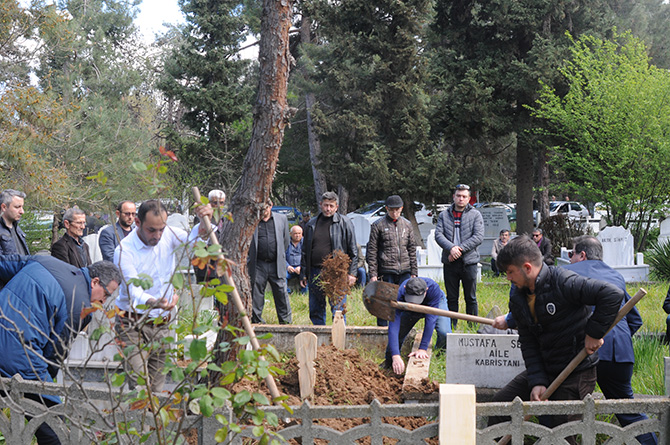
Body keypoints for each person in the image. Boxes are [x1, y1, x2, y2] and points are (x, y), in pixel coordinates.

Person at [493, 235, 657, 445]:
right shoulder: (518, 296)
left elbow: (611, 295)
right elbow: (528, 341)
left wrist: (594, 333)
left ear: (526, 267)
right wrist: (538, 381)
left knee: (559, 429)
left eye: (509, 272)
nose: (507, 277)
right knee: (501, 405)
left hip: (576, 369)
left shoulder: (562, 280)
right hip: (546, 366)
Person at [0, 255, 121, 445]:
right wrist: (49, 386)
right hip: (20, 357)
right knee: (53, 424)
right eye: (106, 294)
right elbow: (54, 353)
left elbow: (5, 265)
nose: (104, 302)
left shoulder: (44, 261)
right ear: (95, 282)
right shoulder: (80, 305)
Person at [114, 199, 212, 393]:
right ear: (138, 223)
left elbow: (195, 243)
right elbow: (134, 290)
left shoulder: (168, 234)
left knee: (157, 388)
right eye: (152, 230)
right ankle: (138, 421)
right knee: (140, 388)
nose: (158, 235)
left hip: (162, 324)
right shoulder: (124, 250)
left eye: (162, 229)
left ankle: (152, 423)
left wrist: (204, 222)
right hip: (132, 325)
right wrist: (155, 302)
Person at [300, 191, 358, 325]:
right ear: (320, 205)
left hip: (337, 272)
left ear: (336, 207)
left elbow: (353, 250)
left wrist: (352, 273)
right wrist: (304, 273)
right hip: (316, 271)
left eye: (331, 206)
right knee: (316, 308)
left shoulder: (345, 223)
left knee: (337, 308)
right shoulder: (311, 224)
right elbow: (305, 251)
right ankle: (320, 338)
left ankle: (338, 340)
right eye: (326, 205)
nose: (328, 209)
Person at [435, 184, 484, 327]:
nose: (461, 199)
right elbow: (438, 234)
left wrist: (459, 249)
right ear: (454, 197)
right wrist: (451, 248)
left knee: (471, 297)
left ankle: (472, 327)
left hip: (469, 262)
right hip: (450, 263)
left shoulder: (475, 214)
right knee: (451, 298)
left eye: (464, 196)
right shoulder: (444, 215)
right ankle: (451, 327)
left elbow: (478, 236)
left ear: (469, 199)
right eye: (458, 196)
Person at [366, 194, 418, 326]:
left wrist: (414, 272)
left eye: (397, 210)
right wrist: (373, 274)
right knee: (384, 303)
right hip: (386, 269)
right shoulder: (378, 225)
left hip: (405, 270)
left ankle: (402, 331)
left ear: (402, 208)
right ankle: (383, 331)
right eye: (391, 210)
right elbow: (372, 251)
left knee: (403, 304)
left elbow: (412, 249)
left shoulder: (407, 225)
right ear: (386, 209)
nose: (394, 213)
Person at [384, 277, 451, 374]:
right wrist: (395, 355)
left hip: (435, 303)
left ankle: (440, 353)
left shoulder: (433, 289)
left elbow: (430, 320)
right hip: (408, 308)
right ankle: (389, 362)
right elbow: (393, 325)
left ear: (425, 291)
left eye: (416, 300)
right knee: (399, 333)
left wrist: (423, 348)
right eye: (411, 298)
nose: (414, 302)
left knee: (444, 332)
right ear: (405, 288)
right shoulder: (399, 293)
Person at [248, 200, 292, 324]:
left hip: (276, 263)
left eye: (265, 209)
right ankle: (256, 322)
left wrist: (279, 256)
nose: (263, 212)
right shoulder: (253, 220)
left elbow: (286, 241)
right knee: (256, 294)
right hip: (259, 264)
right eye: (260, 209)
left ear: (271, 206)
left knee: (281, 293)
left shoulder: (281, 219)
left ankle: (286, 323)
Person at [194, 189, 226, 282]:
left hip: (221, 266)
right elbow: (200, 240)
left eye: (221, 203)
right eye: (215, 203)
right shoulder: (202, 219)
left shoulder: (225, 220)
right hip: (207, 267)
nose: (219, 206)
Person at [0, 189, 30, 255]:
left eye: (22, 207)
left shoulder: (17, 229)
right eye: (17, 207)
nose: (22, 211)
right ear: (4, 207)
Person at [286, 225, 306, 293]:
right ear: (290, 234)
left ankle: (304, 294)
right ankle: (287, 293)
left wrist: (301, 267)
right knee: (282, 276)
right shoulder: (285, 242)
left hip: (301, 268)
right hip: (289, 268)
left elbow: (307, 257)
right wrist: (287, 266)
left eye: (299, 233)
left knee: (306, 276)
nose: (297, 235)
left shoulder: (305, 242)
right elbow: (281, 256)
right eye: (295, 233)